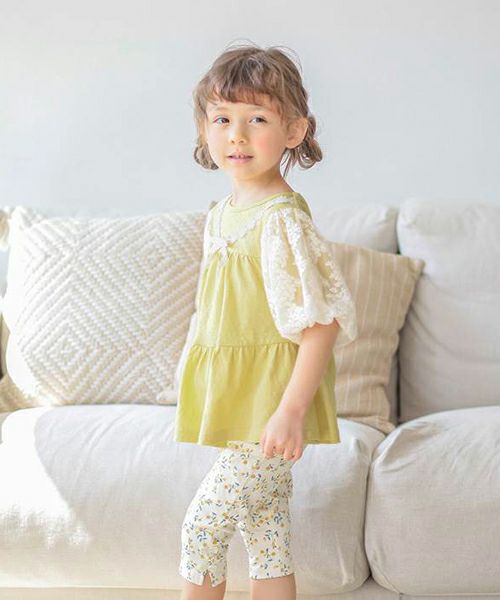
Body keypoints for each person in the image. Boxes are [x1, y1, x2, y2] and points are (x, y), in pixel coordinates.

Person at [175, 40, 358, 600]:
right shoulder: (222, 215)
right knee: (266, 528)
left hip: (272, 403)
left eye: (257, 119)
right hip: (242, 400)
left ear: (294, 131)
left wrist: (291, 410)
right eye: (222, 119)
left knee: (203, 529)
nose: (237, 135)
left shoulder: (280, 221)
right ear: (205, 130)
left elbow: (321, 323)